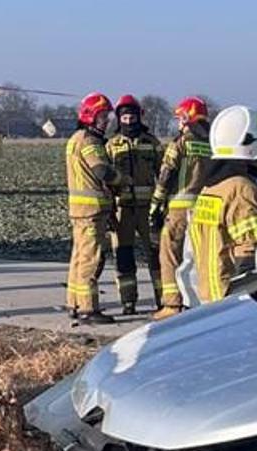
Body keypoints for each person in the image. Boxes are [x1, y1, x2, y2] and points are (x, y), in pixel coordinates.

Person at [188, 105, 257, 303]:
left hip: (210, 294)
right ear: (249, 144)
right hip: (233, 298)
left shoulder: (210, 188)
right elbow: (250, 250)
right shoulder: (241, 188)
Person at [148, 96, 211, 319]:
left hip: (178, 208)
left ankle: (172, 304)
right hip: (204, 208)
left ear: (187, 118)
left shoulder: (180, 143)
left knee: (169, 255)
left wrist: (155, 205)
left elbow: (166, 174)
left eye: (180, 119)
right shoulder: (211, 144)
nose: (178, 124)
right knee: (198, 257)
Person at [64, 92, 123, 325]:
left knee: (78, 257)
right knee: (90, 259)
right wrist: (122, 178)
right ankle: (89, 308)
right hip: (91, 211)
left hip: (80, 210)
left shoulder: (74, 139)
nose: (106, 121)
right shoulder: (89, 142)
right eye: (102, 116)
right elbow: (101, 171)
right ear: (90, 117)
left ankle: (74, 303)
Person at [105, 96, 164, 316]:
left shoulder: (152, 143)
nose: (129, 121)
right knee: (124, 256)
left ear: (139, 117)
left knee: (156, 256)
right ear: (119, 119)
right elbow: (105, 180)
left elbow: (164, 175)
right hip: (122, 210)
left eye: (132, 116)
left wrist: (162, 207)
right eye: (125, 117)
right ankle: (128, 302)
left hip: (148, 209)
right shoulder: (111, 145)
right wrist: (109, 211)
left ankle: (163, 300)